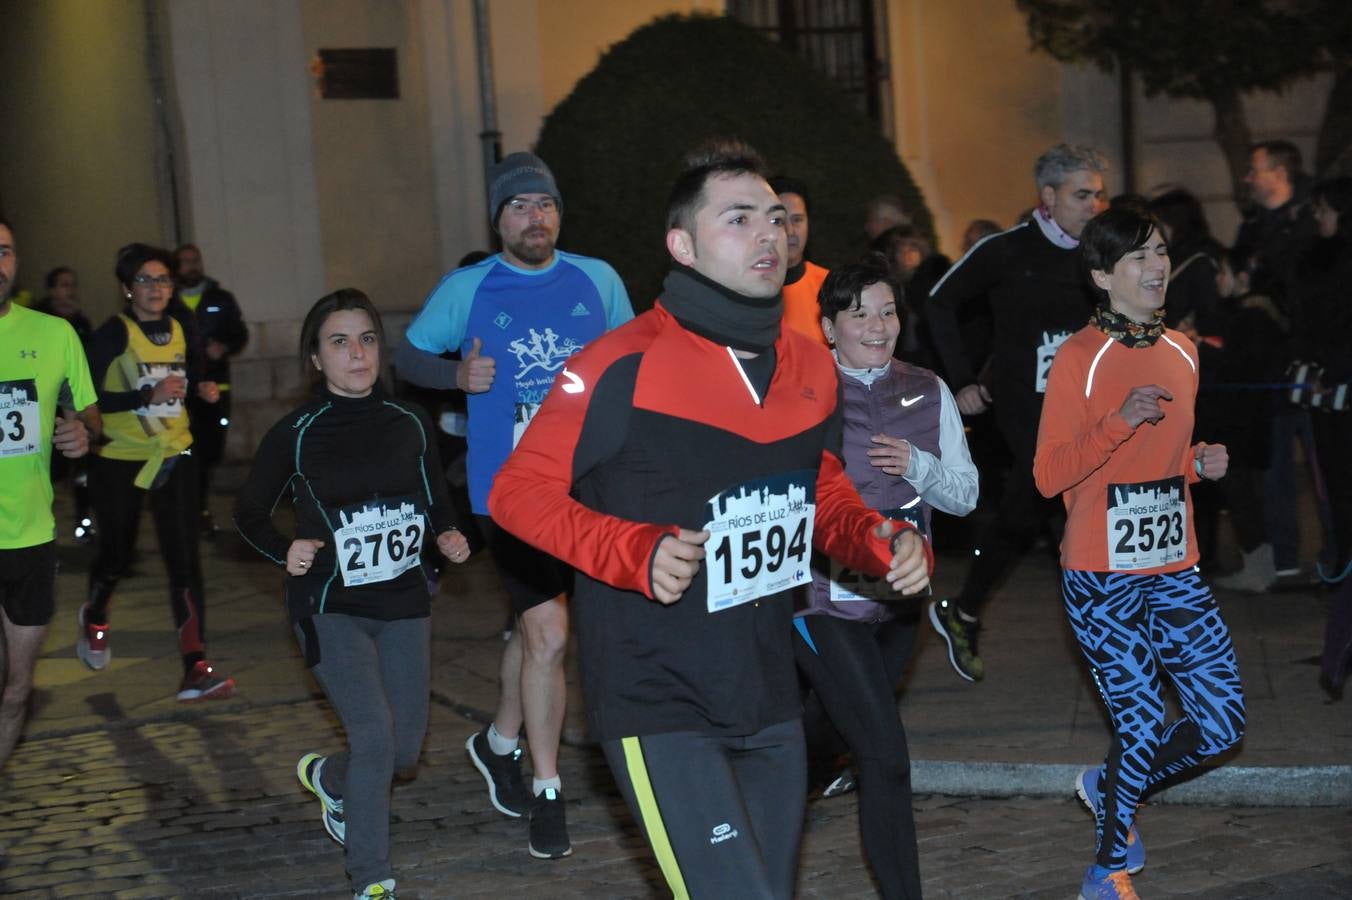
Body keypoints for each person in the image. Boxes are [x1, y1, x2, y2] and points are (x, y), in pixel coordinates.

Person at [487, 140, 933, 898]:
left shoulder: (811, 365)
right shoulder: (616, 365)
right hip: (658, 697)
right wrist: (631, 549)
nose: (768, 234)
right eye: (738, 218)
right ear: (683, 246)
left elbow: (820, 490)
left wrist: (876, 538)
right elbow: (517, 493)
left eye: (774, 218)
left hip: (768, 690)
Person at [396, 151, 633, 859]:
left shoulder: (598, 280)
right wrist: (456, 375)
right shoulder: (469, 288)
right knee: (550, 636)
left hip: (588, 488)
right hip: (509, 493)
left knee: (536, 634)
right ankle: (547, 786)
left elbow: (633, 365)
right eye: (520, 206)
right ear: (498, 220)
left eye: (545, 204)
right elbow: (407, 358)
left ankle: (498, 741)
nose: (536, 217)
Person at [1034, 206, 1245, 900]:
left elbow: (1160, 463)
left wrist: (1196, 464)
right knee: (1141, 722)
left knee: (1222, 726)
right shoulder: (1078, 357)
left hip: (1173, 566)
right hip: (1102, 574)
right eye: (1138, 257)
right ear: (1102, 276)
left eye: (1160, 252)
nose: (1157, 267)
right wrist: (1118, 421)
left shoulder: (1183, 351)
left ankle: (1110, 786)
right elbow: (1049, 475)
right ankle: (1106, 872)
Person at [234, 288, 467, 900]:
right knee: (373, 735)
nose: (357, 354)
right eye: (339, 342)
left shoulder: (410, 421)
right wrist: (284, 549)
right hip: (328, 604)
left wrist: (447, 534)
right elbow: (249, 512)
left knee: (403, 751)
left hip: (404, 602)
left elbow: (435, 498)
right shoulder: (297, 432)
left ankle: (331, 779)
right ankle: (371, 877)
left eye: (366, 340)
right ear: (316, 358)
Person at [795, 256, 976, 899]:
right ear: (828, 327)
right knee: (885, 755)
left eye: (888, 312)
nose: (877, 326)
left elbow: (966, 496)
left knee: (831, 728)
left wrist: (919, 465)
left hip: (902, 601)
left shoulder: (927, 389)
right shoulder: (802, 392)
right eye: (859, 314)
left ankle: (773, 787)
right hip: (823, 602)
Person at [925, 143, 1108, 682]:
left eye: (1099, 195)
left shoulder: (1101, 250)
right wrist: (963, 379)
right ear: (1048, 197)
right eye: (1082, 195)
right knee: (1068, 505)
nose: (1094, 206)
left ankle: (963, 612)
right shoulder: (1005, 250)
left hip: (1087, 408)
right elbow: (938, 301)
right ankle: (1111, 636)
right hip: (1026, 409)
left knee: (1026, 513)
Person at [81, 243, 231, 701]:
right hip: (120, 459)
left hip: (174, 453)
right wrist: (143, 397)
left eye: (163, 279)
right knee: (118, 554)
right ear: (127, 288)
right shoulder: (114, 333)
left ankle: (195, 665)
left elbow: (187, 377)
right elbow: (85, 397)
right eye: (145, 280)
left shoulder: (181, 326)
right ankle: (96, 614)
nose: (155, 288)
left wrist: (201, 389)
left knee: (184, 559)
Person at [0, 220, 100, 771]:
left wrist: (82, 432)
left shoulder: (54, 334)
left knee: (16, 691)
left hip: (31, 536)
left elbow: (87, 412)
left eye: (4, 251)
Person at [172, 244, 248, 537]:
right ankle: (193, 510)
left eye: (195, 260)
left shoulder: (220, 299)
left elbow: (240, 333)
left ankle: (198, 508)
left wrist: (224, 346)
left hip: (216, 388)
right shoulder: (168, 301)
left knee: (209, 451)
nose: (191, 266)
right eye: (185, 261)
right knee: (185, 451)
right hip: (180, 391)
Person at [34, 266, 96, 543]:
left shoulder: (81, 322)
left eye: (72, 285)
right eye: (63, 285)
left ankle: (83, 523)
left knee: (81, 470)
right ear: (51, 290)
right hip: (47, 410)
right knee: (49, 472)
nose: (69, 290)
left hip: (76, 408)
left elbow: (88, 364)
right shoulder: (38, 321)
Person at [768, 175, 829, 345]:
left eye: (797, 220)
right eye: (779, 221)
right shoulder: (745, 289)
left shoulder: (830, 285)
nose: (790, 231)